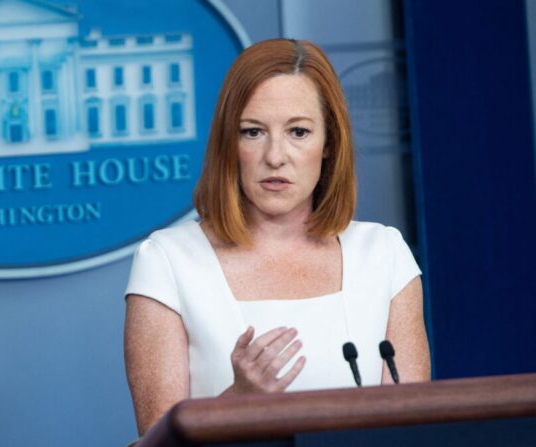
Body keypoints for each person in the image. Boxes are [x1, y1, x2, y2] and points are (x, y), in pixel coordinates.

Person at [123, 38, 431, 436]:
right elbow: (157, 442)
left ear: (329, 145)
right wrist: (239, 398)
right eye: (253, 132)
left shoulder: (384, 255)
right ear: (229, 146)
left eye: (298, 132)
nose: (275, 156)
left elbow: (414, 433)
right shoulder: (166, 260)